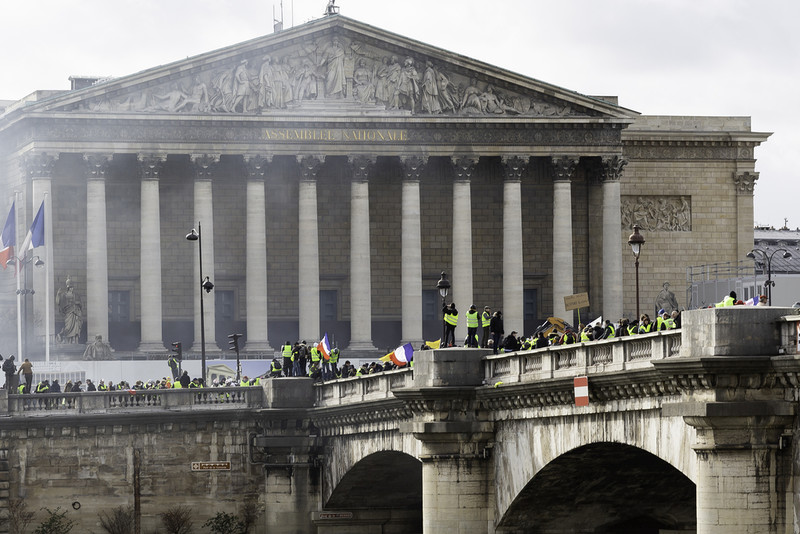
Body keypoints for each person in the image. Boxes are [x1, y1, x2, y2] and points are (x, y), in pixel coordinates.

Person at [56, 277, 83, 343]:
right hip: (68, 312)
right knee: (68, 327)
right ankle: (62, 335)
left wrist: (77, 303)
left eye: (72, 287)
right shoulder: (64, 295)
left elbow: (80, 303)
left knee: (75, 326)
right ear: (68, 287)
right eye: (70, 287)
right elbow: (59, 302)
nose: (71, 289)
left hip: (75, 312)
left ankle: (74, 340)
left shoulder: (75, 295)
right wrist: (58, 295)